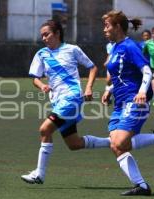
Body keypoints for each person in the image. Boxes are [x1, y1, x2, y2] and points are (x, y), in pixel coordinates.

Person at [21, 19, 111, 184]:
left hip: (72, 98)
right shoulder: (41, 54)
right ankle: (113, 142)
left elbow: (92, 67)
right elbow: (35, 78)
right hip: (58, 102)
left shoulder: (72, 49)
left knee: (44, 130)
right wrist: (42, 85)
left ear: (57, 33)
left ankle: (39, 174)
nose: (44, 38)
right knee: (74, 143)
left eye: (46, 34)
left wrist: (89, 88)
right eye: (42, 35)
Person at [101, 11, 154, 196]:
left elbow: (146, 71)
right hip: (120, 103)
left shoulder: (129, 46)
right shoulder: (114, 47)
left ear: (118, 27)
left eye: (107, 25)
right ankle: (141, 185)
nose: (104, 29)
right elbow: (122, 76)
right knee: (115, 144)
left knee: (120, 142)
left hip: (135, 100)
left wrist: (142, 91)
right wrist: (109, 90)